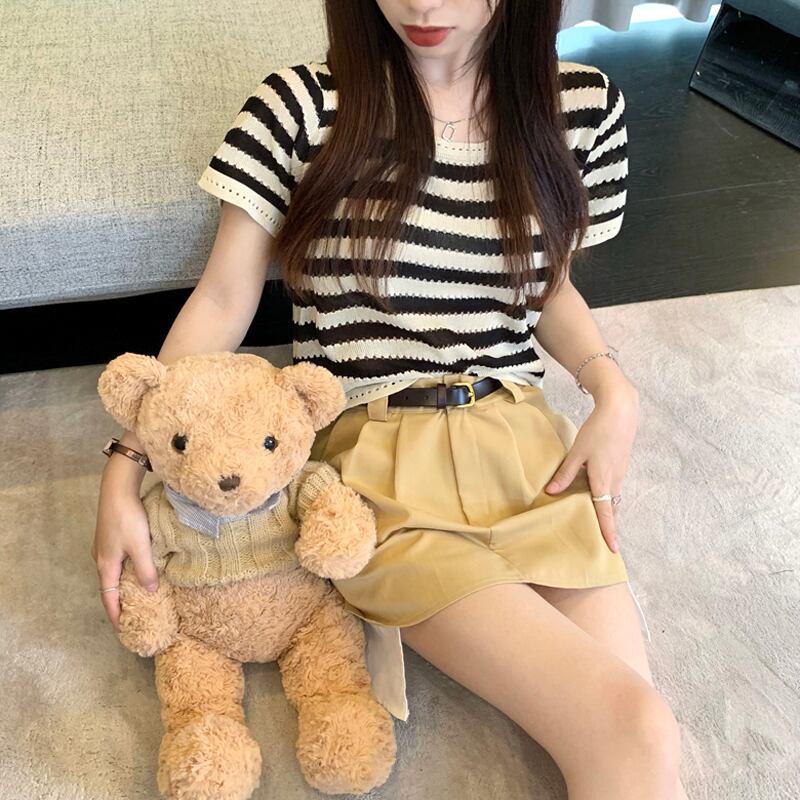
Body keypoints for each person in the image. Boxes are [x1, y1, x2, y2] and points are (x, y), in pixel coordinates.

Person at [92, 1, 690, 797]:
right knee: (633, 725)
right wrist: (125, 467)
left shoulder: (583, 107)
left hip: (528, 449)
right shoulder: (301, 108)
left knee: (640, 737)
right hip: (379, 463)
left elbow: (549, 288)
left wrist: (613, 390)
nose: (423, 6)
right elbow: (224, 300)